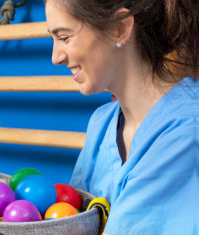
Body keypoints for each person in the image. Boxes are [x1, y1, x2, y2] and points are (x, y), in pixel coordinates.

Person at [44, 0, 198, 234]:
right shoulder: (101, 123)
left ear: (120, 28)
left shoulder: (187, 131)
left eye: (64, 37)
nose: (55, 57)